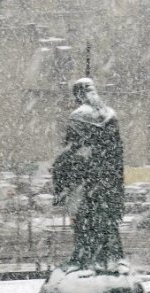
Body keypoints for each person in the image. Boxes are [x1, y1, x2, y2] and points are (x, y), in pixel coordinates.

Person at [51, 78, 125, 269]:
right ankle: (112, 258)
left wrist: (60, 178)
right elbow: (117, 151)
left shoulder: (78, 116)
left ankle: (84, 257)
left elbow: (72, 148)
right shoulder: (111, 115)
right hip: (109, 179)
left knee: (83, 219)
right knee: (107, 220)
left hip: (85, 179)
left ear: (78, 95)